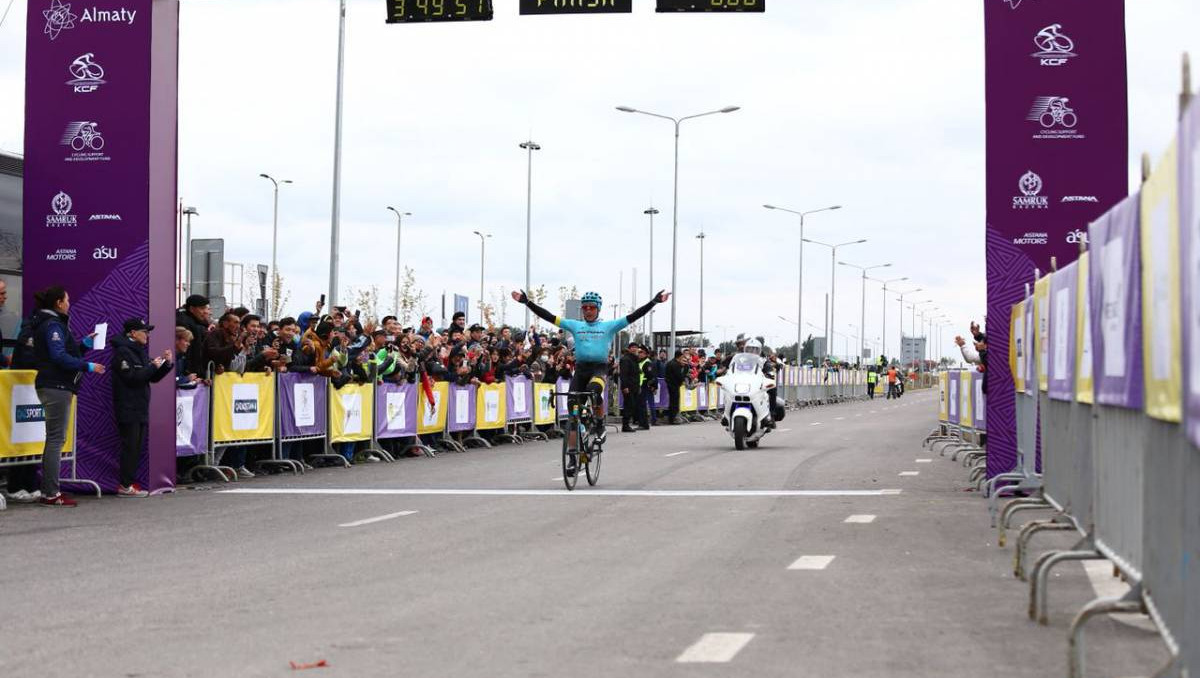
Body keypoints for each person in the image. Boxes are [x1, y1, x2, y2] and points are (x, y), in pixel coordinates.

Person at [512, 288, 669, 472]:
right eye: (584, 307)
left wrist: (654, 302)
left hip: (599, 368)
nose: (587, 310)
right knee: (573, 413)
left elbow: (634, 316)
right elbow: (549, 317)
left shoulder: (608, 326)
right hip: (581, 370)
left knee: (594, 390)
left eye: (591, 308)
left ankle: (600, 423)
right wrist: (527, 302)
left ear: (598, 309)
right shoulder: (575, 325)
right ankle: (573, 456)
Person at [30, 286, 106, 507]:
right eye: (67, 300)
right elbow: (58, 357)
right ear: (58, 303)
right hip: (56, 385)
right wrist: (88, 366)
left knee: (55, 438)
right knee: (55, 439)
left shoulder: (53, 324)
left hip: (56, 384)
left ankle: (50, 491)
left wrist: (83, 345)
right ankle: (51, 492)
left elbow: (63, 353)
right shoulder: (52, 324)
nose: (69, 303)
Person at [111, 319, 173, 497]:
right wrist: (152, 366)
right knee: (130, 446)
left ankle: (128, 483)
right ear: (132, 333)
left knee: (137, 447)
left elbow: (150, 378)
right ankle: (124, 484)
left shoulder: (139, 352)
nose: (147, 335)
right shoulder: (123, 352)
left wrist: (165, 365)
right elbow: (132, 378)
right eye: (144, 331)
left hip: (140, 405)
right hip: (128, 405)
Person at [618, 342, 642, 433]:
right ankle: (625, 425)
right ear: (629, 349)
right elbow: (623, 374)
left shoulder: (635, 359)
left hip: (635, 385)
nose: (635, 349)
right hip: (628, 386)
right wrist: (625, 386)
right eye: (633, 347)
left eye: (636, 347)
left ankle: (627, 423)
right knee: (628, 405)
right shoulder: (626, 359)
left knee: (632, 405)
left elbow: (637, 374)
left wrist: (638, 386)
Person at [664, 349, 688, 424]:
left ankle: (671, 418)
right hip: (674, 385)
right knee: (674, 402)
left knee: (672, 402)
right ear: (680, 356)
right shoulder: (675, 364)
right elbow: (679, 376)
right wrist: (684, 372)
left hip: (670, 384)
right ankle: (673, 418)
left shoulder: (669, 363)